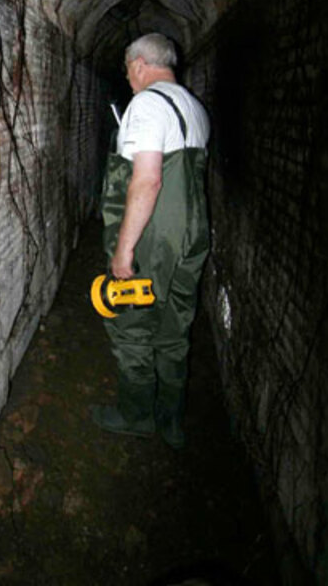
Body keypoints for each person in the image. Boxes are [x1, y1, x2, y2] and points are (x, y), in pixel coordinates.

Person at [92, 33, 210, 448]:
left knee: (131, 324)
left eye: (127, 70)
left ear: (140, 64)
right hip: (192, 235)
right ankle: (171, 420)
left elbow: (148, 179)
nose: (128, 79)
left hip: (153, 237)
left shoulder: (146, 105)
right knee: (176, 327)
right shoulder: (194, 107)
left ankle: (136, 414)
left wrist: (124, 252)